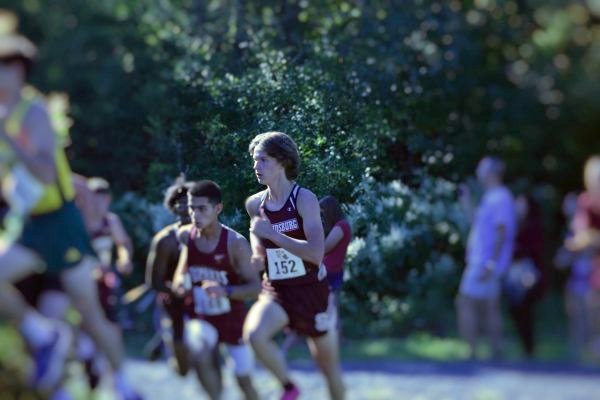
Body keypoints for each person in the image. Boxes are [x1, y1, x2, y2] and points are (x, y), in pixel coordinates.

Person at [0, 13, 141, 399]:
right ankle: (42, 336)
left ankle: (125, 384)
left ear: (16, 72)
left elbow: (45, 173)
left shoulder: (33, 113)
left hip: (61, 223)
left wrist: (9, 141)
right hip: (29, 225)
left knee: (91, 315)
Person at [243, 132, 344, 400]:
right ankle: (289, 387)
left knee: (328, 368)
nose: (256, 166)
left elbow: (315, 253)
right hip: (277, 289)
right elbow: (256, 231)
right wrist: (256, 252)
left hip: (311, 291)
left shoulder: (304, 199)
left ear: (283, 162)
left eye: (263, 160)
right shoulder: (255, 203)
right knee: (254, 335)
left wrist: (274, 235)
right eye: (255, 160)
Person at [172, 180, 260, 400]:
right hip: (201, 316)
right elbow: (181, 273)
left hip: (233, 319)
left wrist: (225, 290)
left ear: (217, 209)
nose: (195, 215)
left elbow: (255, 288)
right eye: (192, 208)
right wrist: (181, 283)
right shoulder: (186, 236)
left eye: (202, 209)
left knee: (244, 381)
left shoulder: (235, 244)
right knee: (199, 355)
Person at [456, 156, 517, 360]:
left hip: (484, 262)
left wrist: (491, 262)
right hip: (484, 260)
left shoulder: (500, 197)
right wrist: (466, 203)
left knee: (465, 302)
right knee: (490, 305)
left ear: (491, 173)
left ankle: (472, 351)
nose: (478, 173)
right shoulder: (491, 196)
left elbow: (502, 232)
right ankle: (496, 349)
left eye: (481, 169)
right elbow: (479, 226)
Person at [144, 175, 191, 375]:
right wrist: (176, 290)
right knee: (180, 354)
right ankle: (167, 340)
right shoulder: (165, 240)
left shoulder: (214, 235)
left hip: (207, 299)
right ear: (173, 207)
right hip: (174, 300)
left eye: (189, 203)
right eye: (180, 204)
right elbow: (154, 281)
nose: (185, 208)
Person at [505, 194, 546, 357]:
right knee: (515, 308)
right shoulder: (514, 223)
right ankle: (525, 345)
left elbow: (535, 250)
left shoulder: (533, 225)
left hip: (527, 269)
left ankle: (529, 347)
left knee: (525, 308)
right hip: (513, 270)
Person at [567, 156, 600, 357]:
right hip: (595, 264)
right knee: (591, 303)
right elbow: (581, 233)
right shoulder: (586, 202)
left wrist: (590, 237)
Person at [555, 192, 592, 360]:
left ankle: (589, 350)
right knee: (575, 315)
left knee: (589, 316)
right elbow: (561, 260)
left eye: (571, 204)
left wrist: (572, 251)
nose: (566, 207)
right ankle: (577, 352)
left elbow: (584, 249)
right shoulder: (569, 228)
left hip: (590, 278)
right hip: (575, 278)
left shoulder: (587, 225)